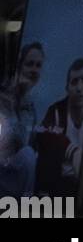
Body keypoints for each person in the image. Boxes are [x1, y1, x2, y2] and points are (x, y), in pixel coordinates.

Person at [34, 57, 83, 195]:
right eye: (74, 82)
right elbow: (42, 133)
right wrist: (72, 151)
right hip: (59, 184)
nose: (79, 87)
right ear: (67, 88)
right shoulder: (55, 111)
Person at [0, 40, 44, 196]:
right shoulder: (4, 95)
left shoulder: (31, 109)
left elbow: (26, 145)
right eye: (29, 64)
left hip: (14, 180)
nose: (34, 70)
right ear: (19, 66)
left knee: (30, 155)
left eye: (38, 65)